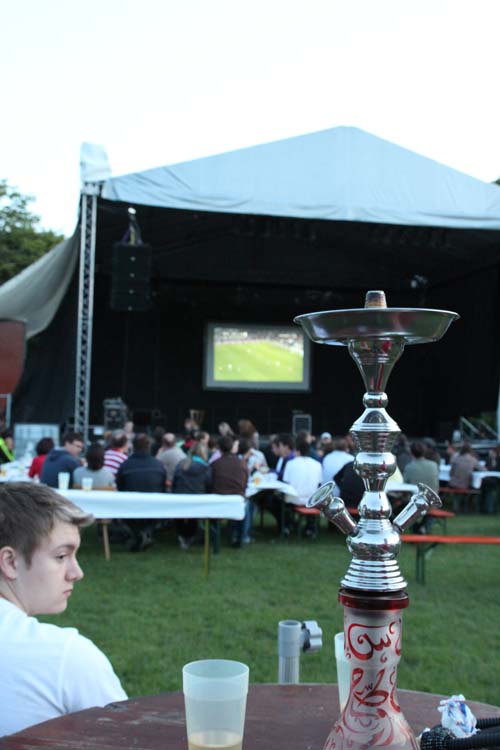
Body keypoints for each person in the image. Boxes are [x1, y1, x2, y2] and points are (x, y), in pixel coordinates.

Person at [0, 482, 126, 736]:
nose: (76, 573)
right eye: (61, 556)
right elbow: (127, 737)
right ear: (10, 562)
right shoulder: (64, 657)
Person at [116, 433, 167, 551]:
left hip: (131, 507)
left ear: (133, 447)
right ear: (149, 446)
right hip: (154, 507)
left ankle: (140, 534)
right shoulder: (158, 465)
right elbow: (163, 487)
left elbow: (120, 488)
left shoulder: (125, 465)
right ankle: (145, 533)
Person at [211, 435, 249, 547]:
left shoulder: (215, 464)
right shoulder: (242, 463)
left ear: (219, 448)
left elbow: (210, 482)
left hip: (219, 499)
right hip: (237, 500)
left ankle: (213, 537)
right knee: (248, 505)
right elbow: (245, 483)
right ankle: (241, 538)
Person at [172, 443, 212, 548]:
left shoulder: (181, 464)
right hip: (197, 499)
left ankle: (182, 535)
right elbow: (209, 485)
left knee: (180, 516)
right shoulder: (205, 467)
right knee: (193, 516)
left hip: (180, 497)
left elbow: (174, 482)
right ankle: (189, 536)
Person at [282, 438, 323, 536]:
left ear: (297, 451)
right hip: (312, 500)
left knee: (281, 500)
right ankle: (310, 528)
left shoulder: (290, 463)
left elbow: (285, 482)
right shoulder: (317, 464)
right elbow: (319, 484)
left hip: (293, 499)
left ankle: (288, 526)